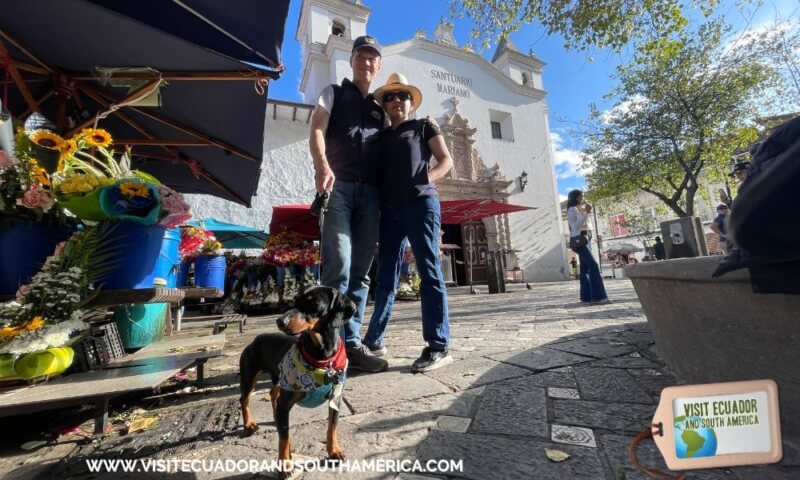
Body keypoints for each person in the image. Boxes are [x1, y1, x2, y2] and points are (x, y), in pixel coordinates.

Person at [362, 73, 455, 373]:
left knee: (429, 271)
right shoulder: (381, 136)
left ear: (410, 102)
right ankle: (374, 341)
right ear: (385, 104)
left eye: (402, 95)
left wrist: (425, 179)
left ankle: (438, 346)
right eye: (389, 96)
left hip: (420, 204)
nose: (396, 100)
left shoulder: (423, 125)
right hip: (389, 211)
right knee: (385, 277)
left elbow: (445, 160)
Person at [308, 35, 388, 373]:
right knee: (338, 265)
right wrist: (322, 165)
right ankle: (327, 347)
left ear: (378, 66)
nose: (366, 63)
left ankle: (351, 345)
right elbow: (316, 129)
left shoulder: (380, 108)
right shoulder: (334, 92)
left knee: (361, 273)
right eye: (361, 56)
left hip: (371, 193)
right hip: (338, 187)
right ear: (352, 60)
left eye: (372, 58)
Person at [566, 190, 609, 304]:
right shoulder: (572, 210)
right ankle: (599, 296)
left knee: (585, 268)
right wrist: (586, 213)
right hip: (579, 239)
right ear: (576, 198)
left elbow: (587, 224)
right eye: (581, 196)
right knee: (593, 265)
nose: (583, 198)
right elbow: (575, 226)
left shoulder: (581, 209)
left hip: (587, 237)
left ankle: (586, 296)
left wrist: (586, 212)